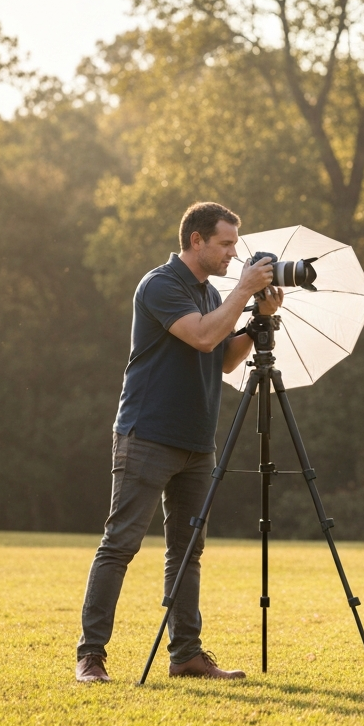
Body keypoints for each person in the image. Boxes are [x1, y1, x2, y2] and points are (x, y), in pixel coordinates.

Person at [75, 202, 282, 683]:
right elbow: (204, 338)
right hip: (147, 434)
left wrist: (255, 321)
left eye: (235, 244)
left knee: (187, 551)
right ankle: (91, 657)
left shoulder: (213, 294)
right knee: (121, 544)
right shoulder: (161, 284)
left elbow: (225, 360)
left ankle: (186, 655)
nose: (235, 253)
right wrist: (243, 293)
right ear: (197, 241)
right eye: (226, 243)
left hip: (197, 440)